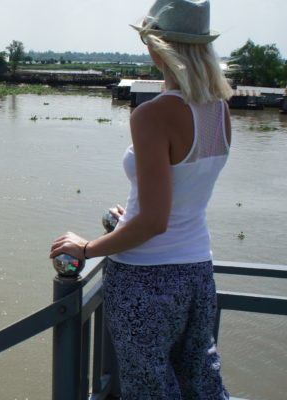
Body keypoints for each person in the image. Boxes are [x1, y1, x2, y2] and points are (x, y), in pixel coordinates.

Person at [49, 0, 233, 398]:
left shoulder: (152, 114)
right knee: (198, 376)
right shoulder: (219, 110)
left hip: (145, 277)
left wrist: (87, 248)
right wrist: (128, 213)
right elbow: (182, 193)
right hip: (197, 270)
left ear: (157, 46)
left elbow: (154, 221)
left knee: (149, 384)